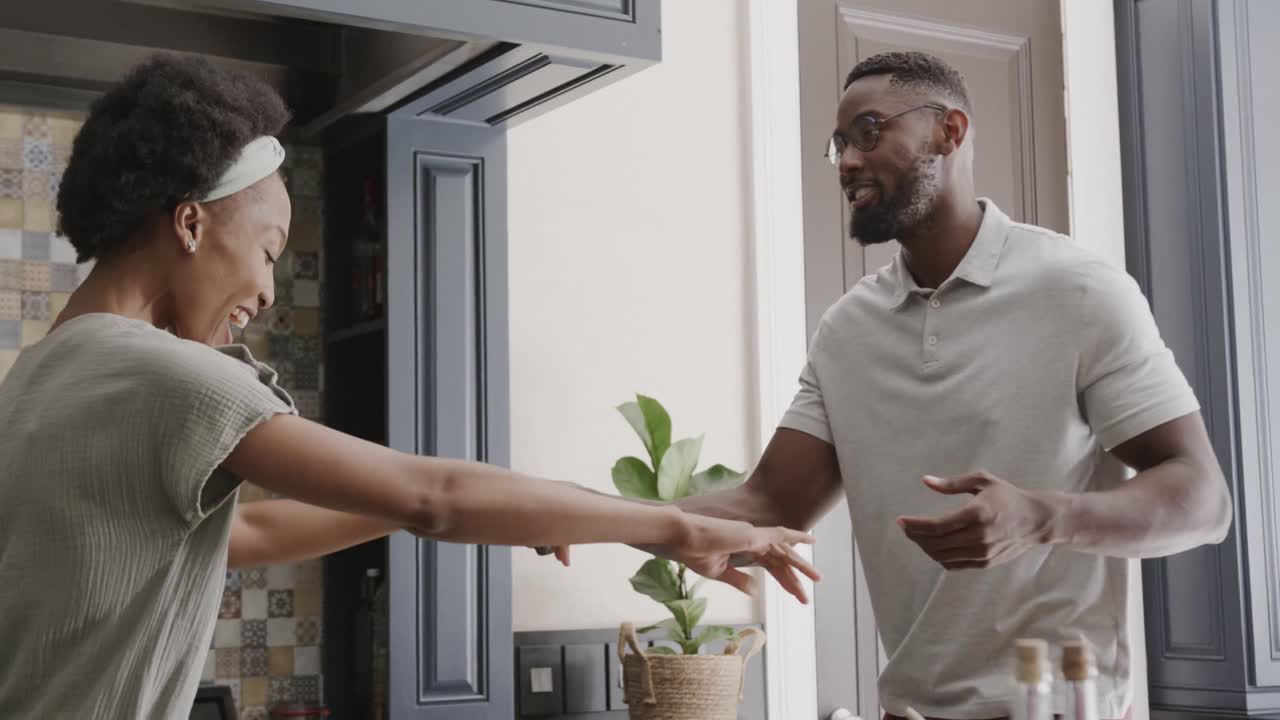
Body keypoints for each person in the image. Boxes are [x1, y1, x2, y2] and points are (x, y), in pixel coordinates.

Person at [0, 55, 818, 719]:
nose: (268, 289)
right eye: (269, 249)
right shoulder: (167, 375)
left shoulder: (43, 376)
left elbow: (243, 539)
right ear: (190, 223)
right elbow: (433, 496)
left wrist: (547, 501)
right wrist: (669, 526)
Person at [550, 51, 1232, 720]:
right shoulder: (849, 329)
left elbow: (1202, 498)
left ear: (949, 131)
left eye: (869, 132)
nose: (846, 161)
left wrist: (1041, 518)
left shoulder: (1081, 291)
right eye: (839, 144)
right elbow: (768, 502)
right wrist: (580, 512)